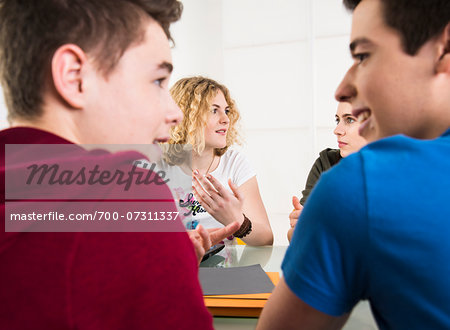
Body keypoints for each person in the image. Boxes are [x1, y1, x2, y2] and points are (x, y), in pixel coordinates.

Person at [0, 1, 239, 329]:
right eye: (157, 81)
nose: (175, 113)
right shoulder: (126, 196)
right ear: (74, 77)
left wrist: (164, 260)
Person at [258, 0, 450, 329]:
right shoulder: (335, 170)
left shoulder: (359, 186)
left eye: (363, 56)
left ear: (443, 49)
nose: (342, 88)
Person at [162, 76, 273, 246]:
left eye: (226, 111)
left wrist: (236, 220)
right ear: (187, 116)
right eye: (214, 110)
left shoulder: (235, 163)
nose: (226, 119)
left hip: (226, 270)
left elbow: (266, 238)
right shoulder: (156, 167)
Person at [287, 102, 366, 241]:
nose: (337, 130)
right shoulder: (326, 163)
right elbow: (294, 237)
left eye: (350, 119)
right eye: (338, 120)